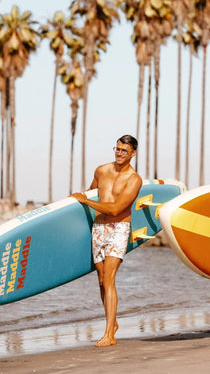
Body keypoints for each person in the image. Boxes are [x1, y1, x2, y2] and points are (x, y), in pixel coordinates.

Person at [70, 134, 142, 347]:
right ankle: (113, 322)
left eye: (124, 151)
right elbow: (91, 194)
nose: (119, 154)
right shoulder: (101, 170)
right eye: (117, 149)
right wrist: (79, 200)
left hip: (118, 228)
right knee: (101, 280)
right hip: (98, 228)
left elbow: (115, 209)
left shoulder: (134, 179)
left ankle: (109, 335)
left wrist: (86, 201)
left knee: (109, 279)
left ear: (133, 154)